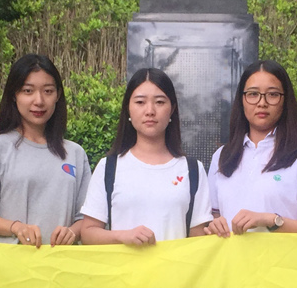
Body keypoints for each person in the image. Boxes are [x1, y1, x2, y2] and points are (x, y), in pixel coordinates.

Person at [0, 54, 92, 247]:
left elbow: (87, 218)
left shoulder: (75, 153)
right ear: (14, 95)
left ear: (58, 95)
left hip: (60, 262)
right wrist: (16, 228)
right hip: (9, 263)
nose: (39, 101)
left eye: (48, 91)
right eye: (28, 91)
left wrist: (72, 233)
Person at [78, 69, 211, 244]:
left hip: (175, 263)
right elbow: (88, 233)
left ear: (172, 109)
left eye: (159, 102)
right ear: (128, 109)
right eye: (140, 102)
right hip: (123, 263)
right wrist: (122, 236)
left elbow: (198, 240)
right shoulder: (109, 167)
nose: (150, 111)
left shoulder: (192, 170)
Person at [205, 60, 297, 237]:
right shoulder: (222, 156)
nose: (262, 103)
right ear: (241, 100)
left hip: (284, 255)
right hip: (232, 255)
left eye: (272, 94)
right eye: (253, 94)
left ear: (285, 100)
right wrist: (214, 226)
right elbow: (212, 220)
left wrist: (272, 220)